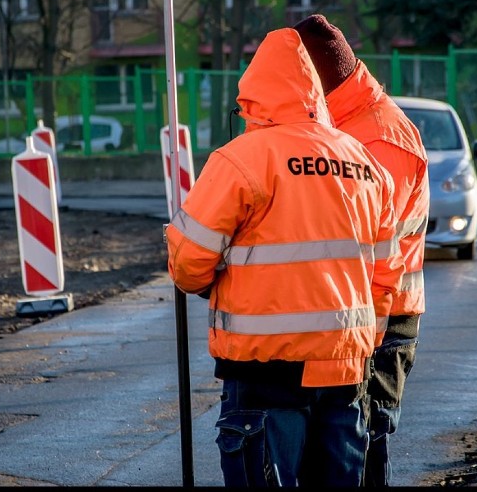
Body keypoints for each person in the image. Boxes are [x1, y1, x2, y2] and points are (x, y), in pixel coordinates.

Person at [165, 28, 404, 487]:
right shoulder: (363, 162)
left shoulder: (242, 160)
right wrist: (361, 345)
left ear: (251, 97)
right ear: (315, 91)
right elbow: (386, 274)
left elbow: (190, 265)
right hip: (344, 371)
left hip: (263, 374)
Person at [294, 14, 430, 487]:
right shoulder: (344, 121)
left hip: (381, 316)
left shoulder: (375, 137)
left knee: (361, 443)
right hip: (356, 309)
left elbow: (371, 249)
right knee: (341, 445)